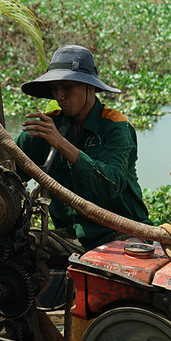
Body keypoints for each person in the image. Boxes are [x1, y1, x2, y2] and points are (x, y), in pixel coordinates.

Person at [16, 45, 150, 251]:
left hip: (122, 233)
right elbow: (6, 172)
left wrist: (61, 143)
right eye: (55, 89)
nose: (60, 96)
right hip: (70, 236)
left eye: (67, 87)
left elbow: (110, 185)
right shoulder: (46, 129)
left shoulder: (117, 127)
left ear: (89, 87)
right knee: (18, 249)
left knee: (128, 262)